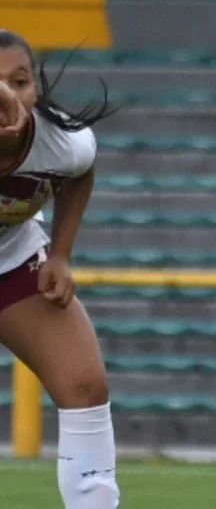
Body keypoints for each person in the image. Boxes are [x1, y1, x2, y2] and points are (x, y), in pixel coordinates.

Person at [0, 30, 120, 508]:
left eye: (20, 81)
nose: (8, 94)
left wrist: (62, 255)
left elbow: (80, 172)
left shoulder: (65, 142)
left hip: (13, 261)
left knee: (85, 386)